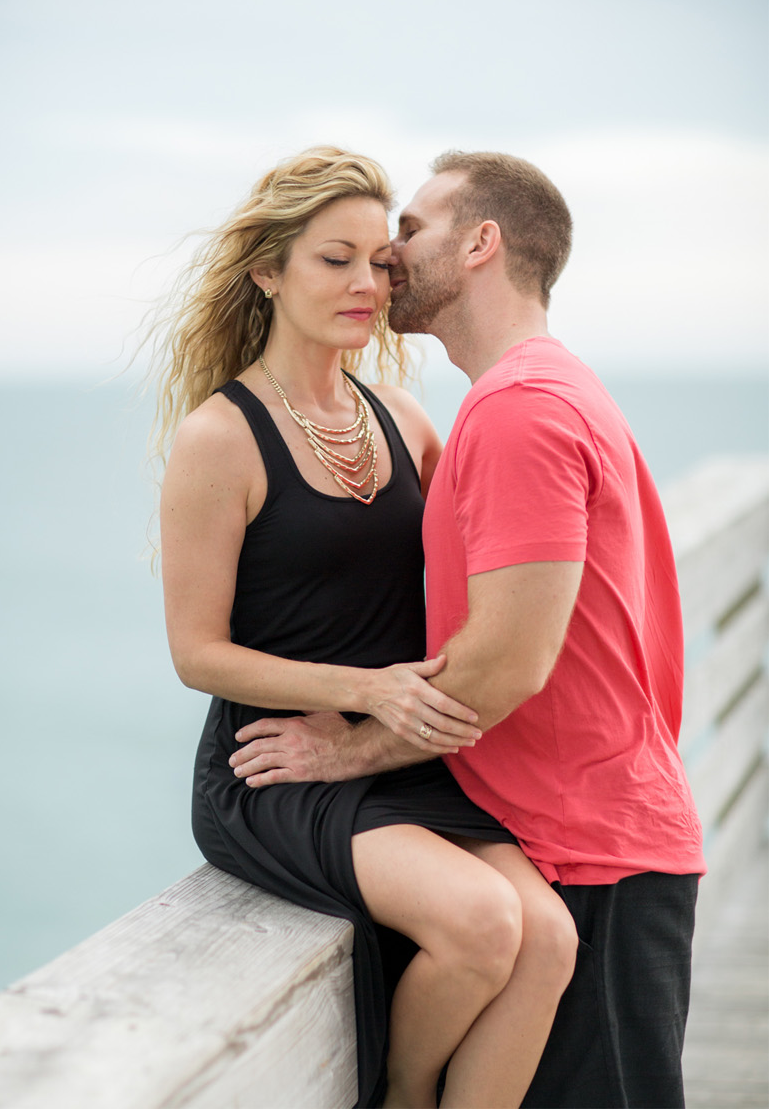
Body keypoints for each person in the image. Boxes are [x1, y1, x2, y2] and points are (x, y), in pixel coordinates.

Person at [227, 151, 705, 1107]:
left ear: (482, 243)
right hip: (571, 834)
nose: (388, 260)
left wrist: (348, 752)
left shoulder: (520, 410)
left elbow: (504, 663)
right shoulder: (535, 391)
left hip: (590, 850)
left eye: (410, 230)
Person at [153, 147, 579, 1108]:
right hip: (278, 765)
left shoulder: (405, 419)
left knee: (547, 938)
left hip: (397, 757)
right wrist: (361, 691)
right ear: (268, 273)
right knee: (480, 926)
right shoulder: (219, 438)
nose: (365, 282)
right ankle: (403, 1094)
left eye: (378, 261)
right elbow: (196, 654)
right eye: (331, 259)